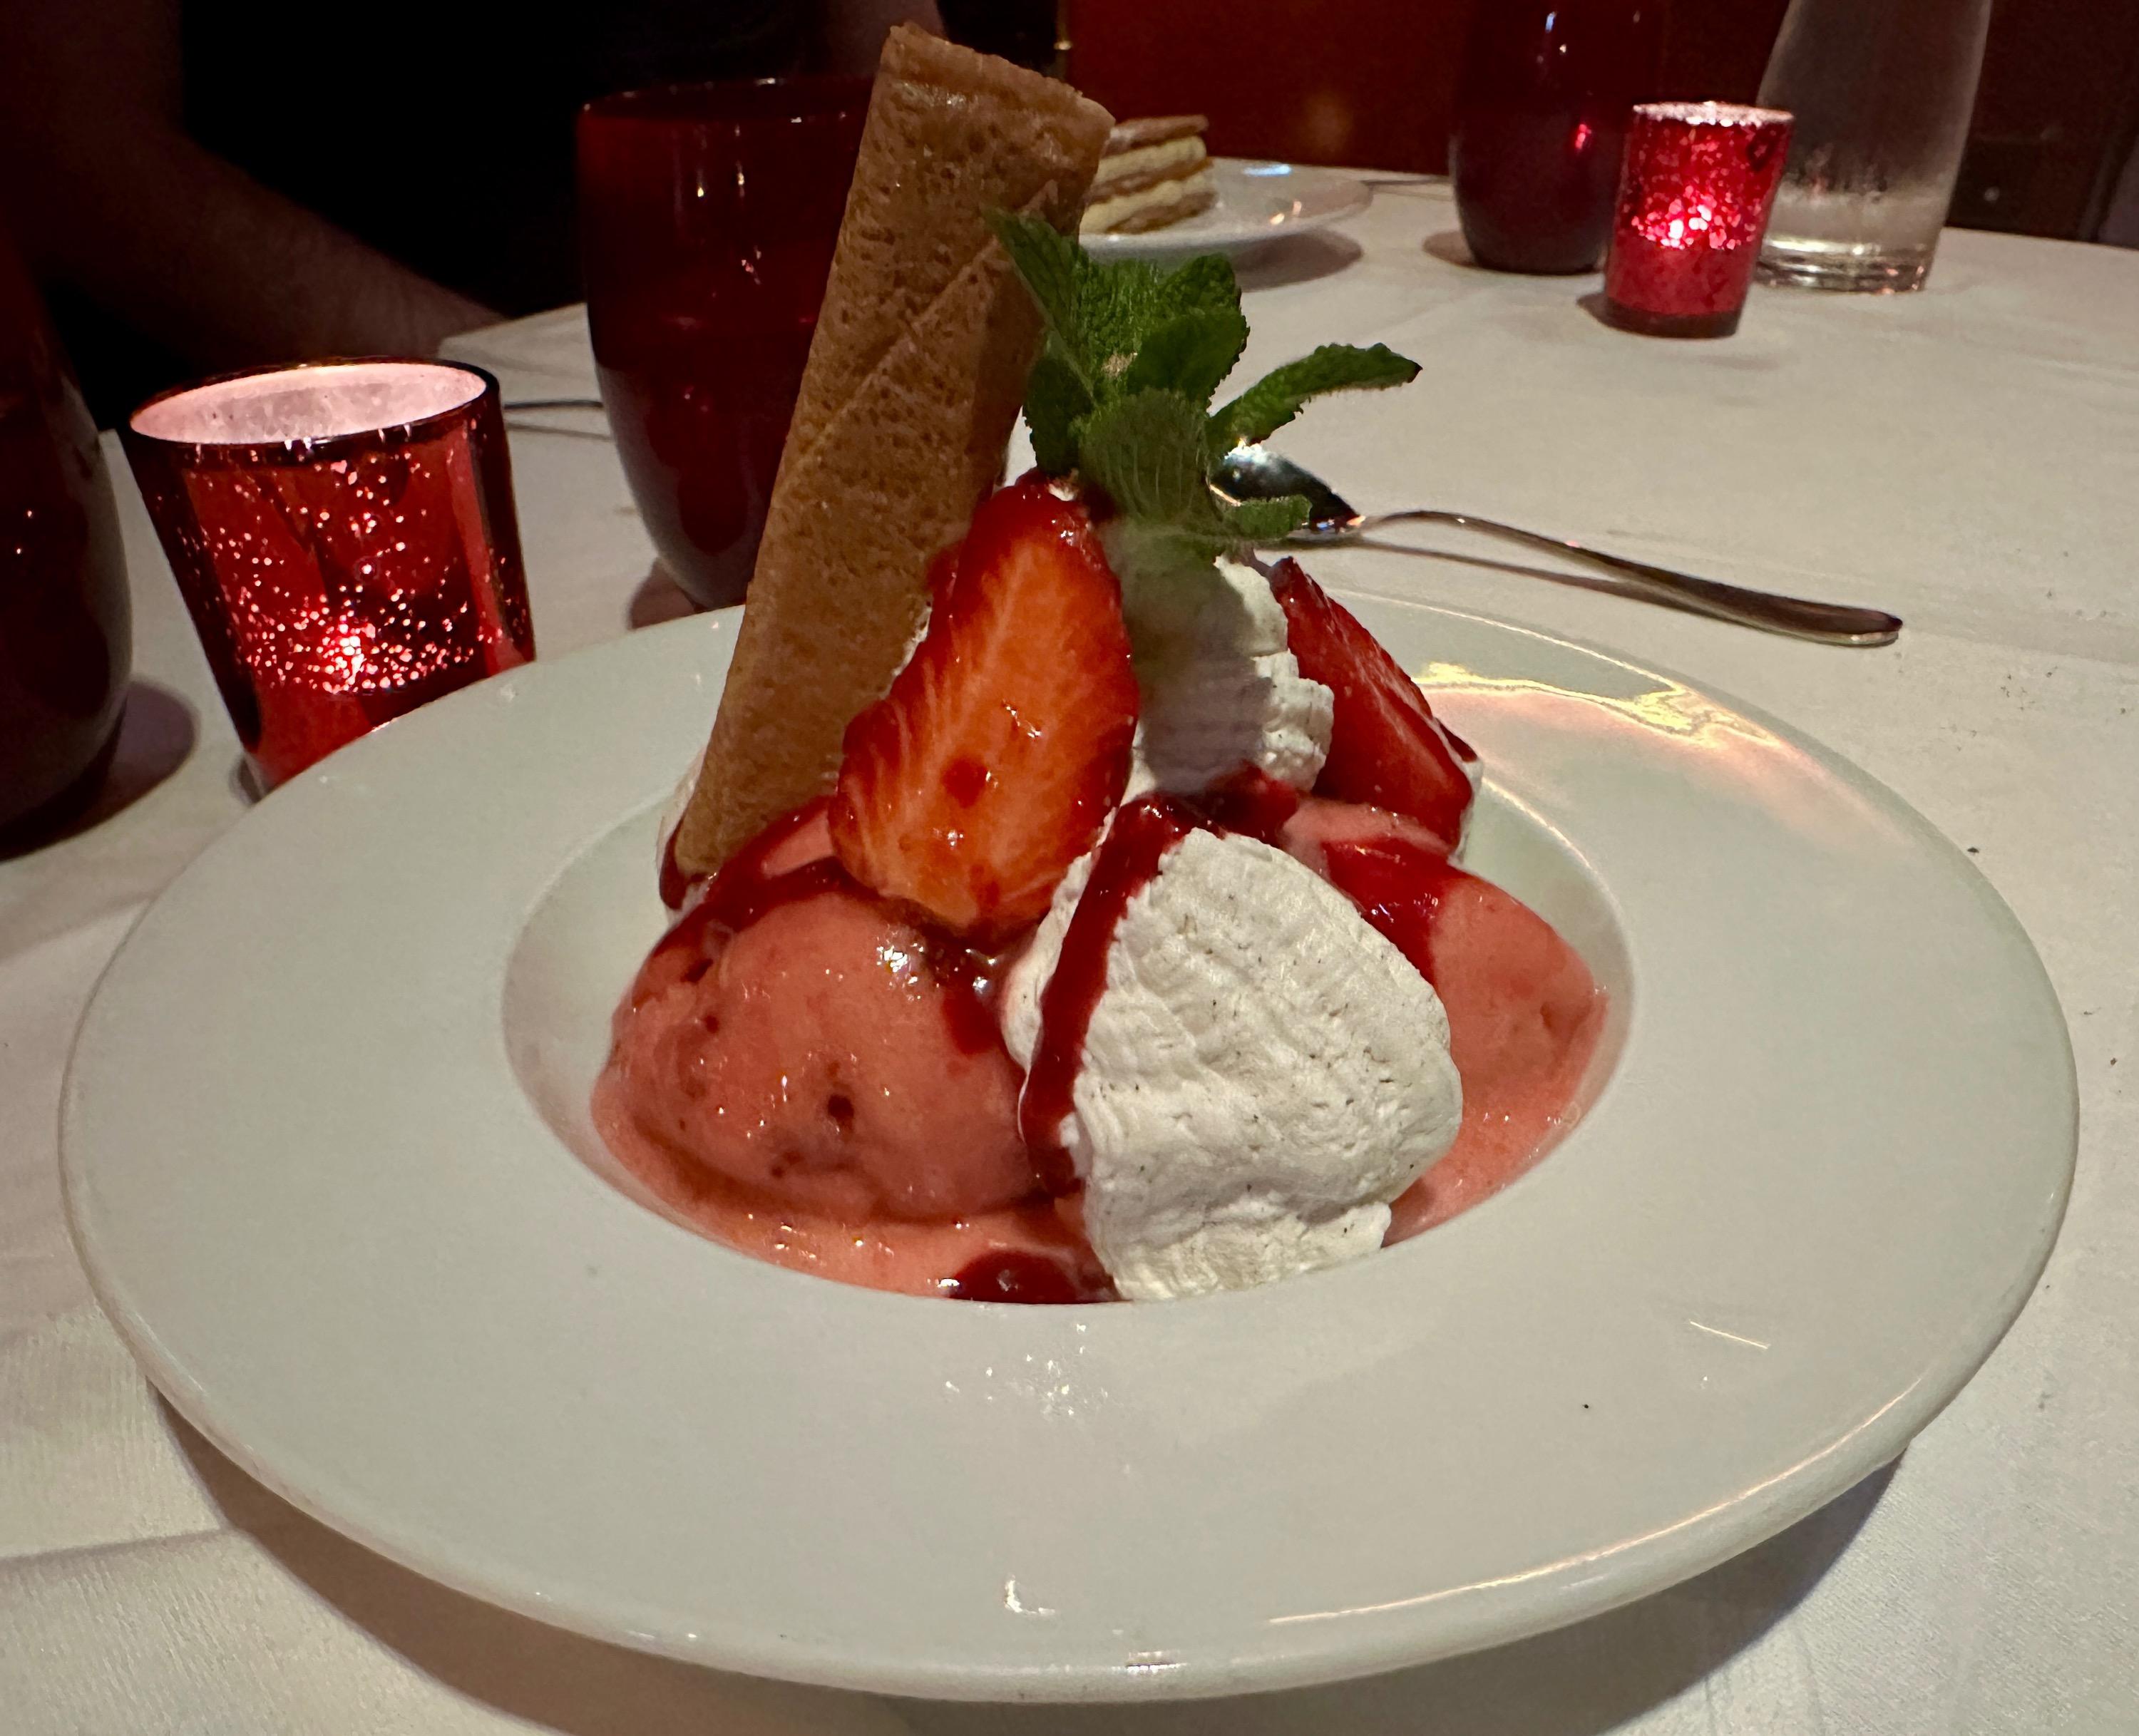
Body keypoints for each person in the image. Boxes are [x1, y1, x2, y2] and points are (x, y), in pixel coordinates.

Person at [0, 0, 940, 423]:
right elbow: (75, 151)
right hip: (354, 458)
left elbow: (907, 81)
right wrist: (520, 374)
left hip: (784, 395)